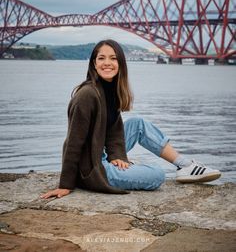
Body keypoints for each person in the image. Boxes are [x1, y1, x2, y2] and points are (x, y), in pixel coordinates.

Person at [41, 39, 221, 199]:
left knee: (137, 124)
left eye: (113, 58)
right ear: (94, 64)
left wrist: (117, 155)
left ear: (120, 63)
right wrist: (65, 184)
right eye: (101, 58)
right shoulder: (87, 95)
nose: (107, 63)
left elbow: (113, 130)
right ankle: (128, 168)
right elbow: (73, 142)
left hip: (101, 153)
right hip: (92, 168)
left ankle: (185, 166)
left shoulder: (109, 90)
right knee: (157, 175)